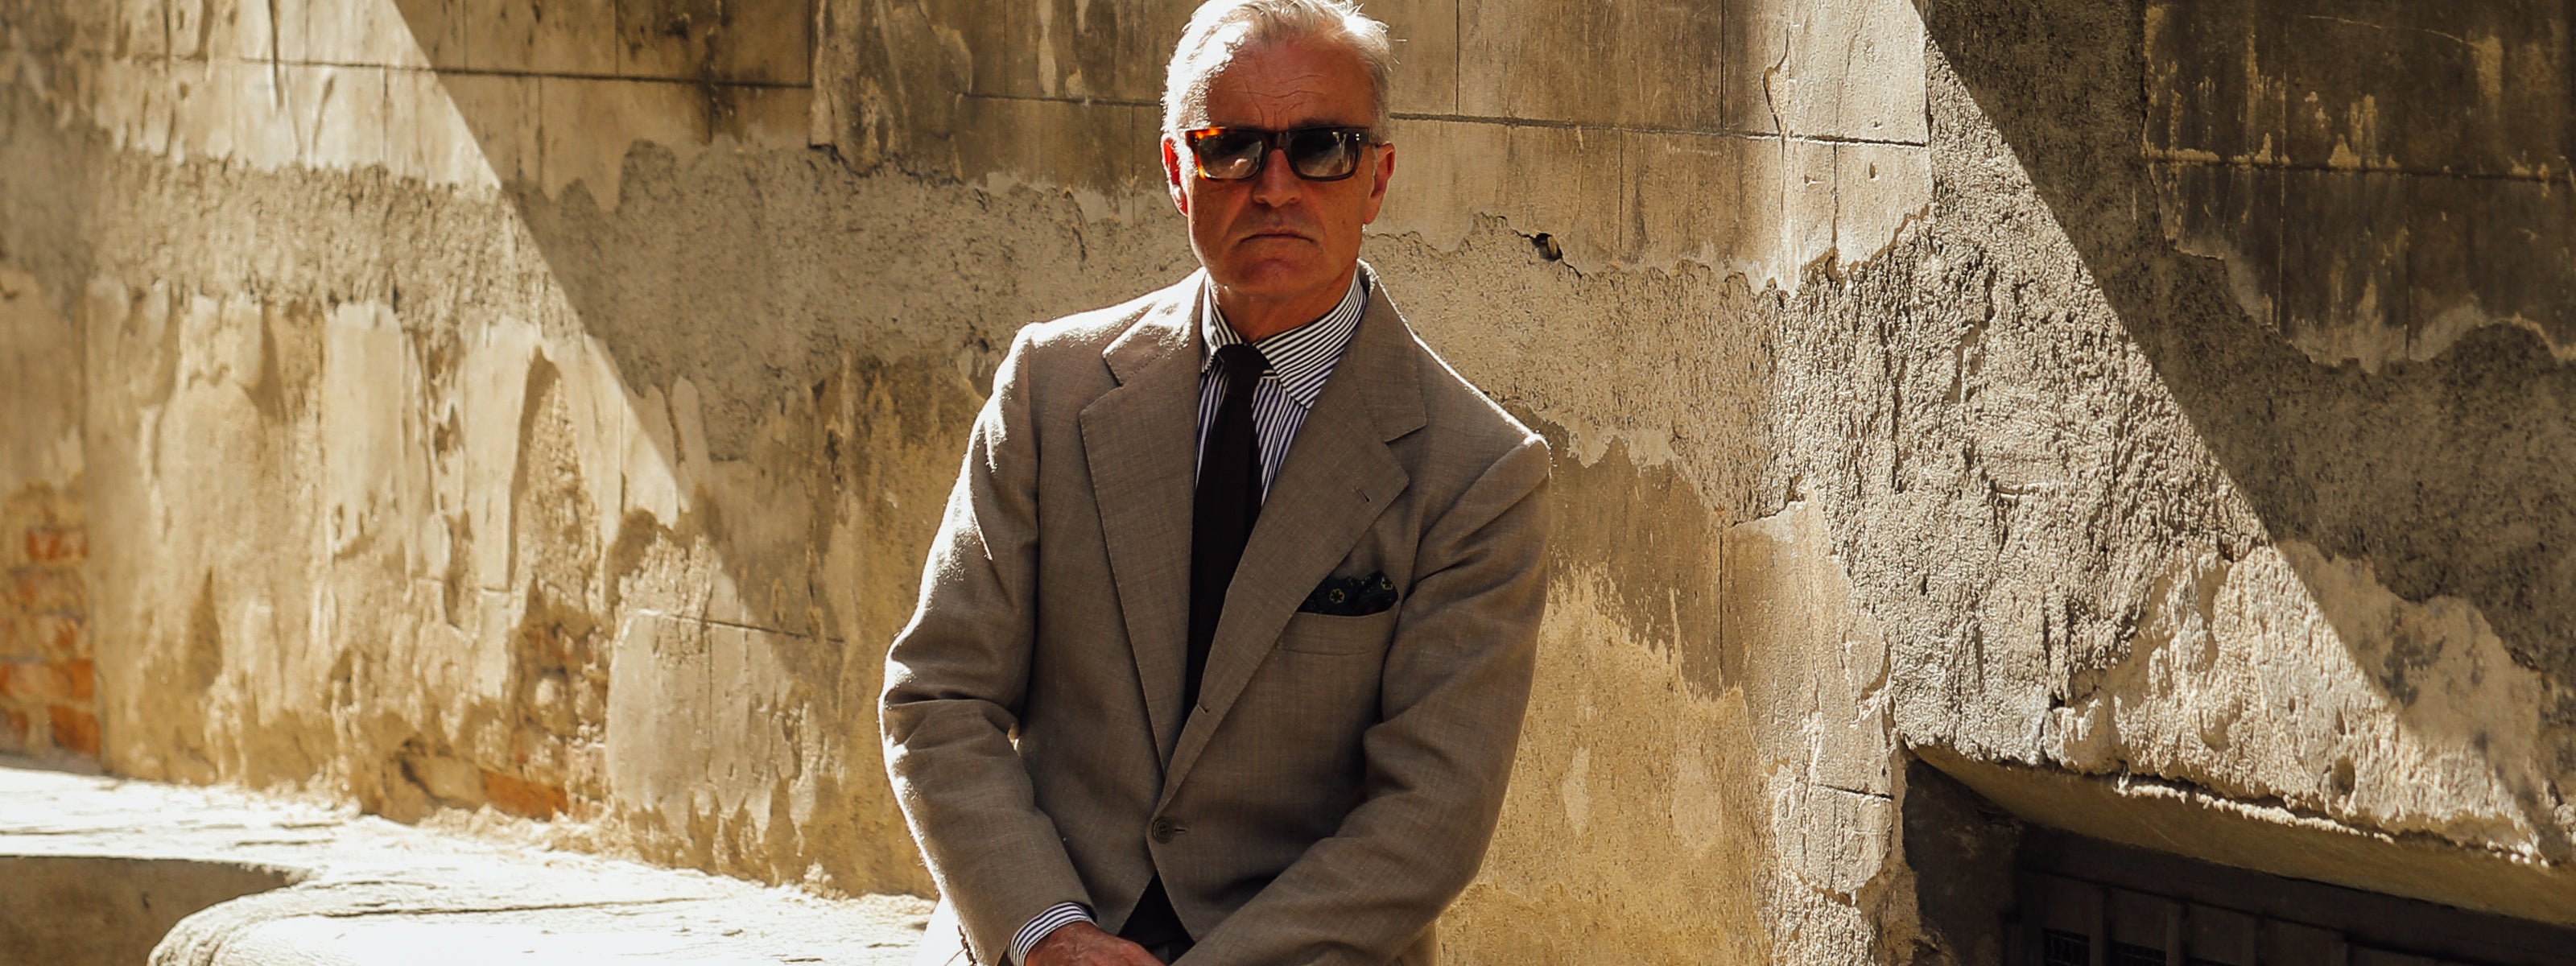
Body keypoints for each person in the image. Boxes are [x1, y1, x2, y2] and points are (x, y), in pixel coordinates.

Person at [880, 2, 1551, 964]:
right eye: (1230, 148)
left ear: (1376, 178)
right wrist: (1044, 930)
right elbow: (940, 696)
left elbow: (1427, 818)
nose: (1273, 188)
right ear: (1174, 171)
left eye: (1320, 148)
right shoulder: (1049, 389)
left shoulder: (1478, 472)